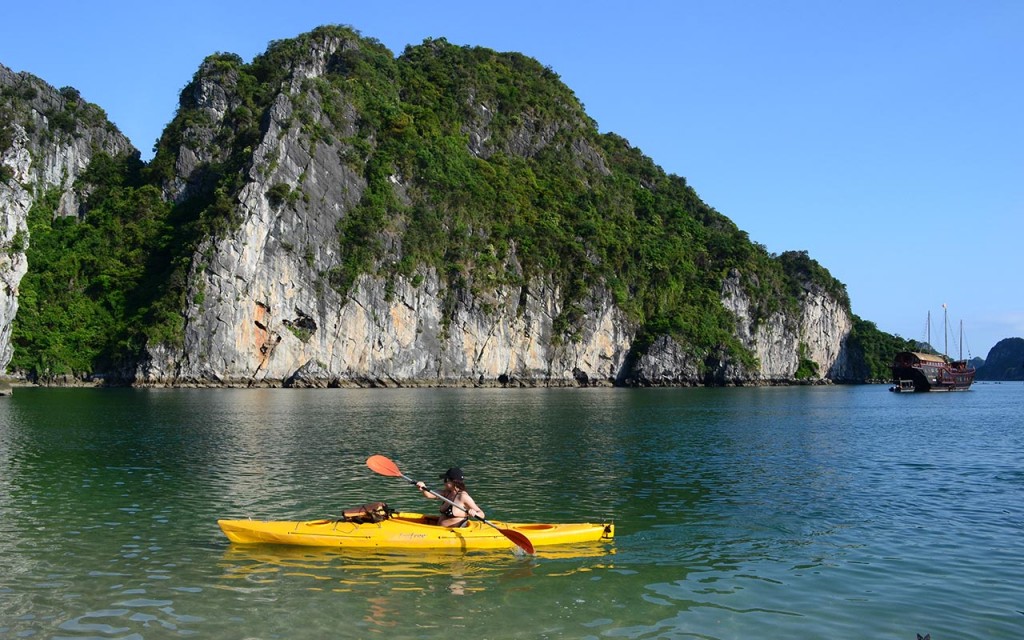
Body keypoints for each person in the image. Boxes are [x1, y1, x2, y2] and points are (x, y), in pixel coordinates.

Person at [415, 467, 484, 528]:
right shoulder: (447, 493)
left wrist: (475, 514)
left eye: (446, 480)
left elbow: (481, 514)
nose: (444, 482)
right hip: (440, 531)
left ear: (454, 481)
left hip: (451, 535)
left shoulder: (463, 497)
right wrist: (423, 488)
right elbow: (429, 495)